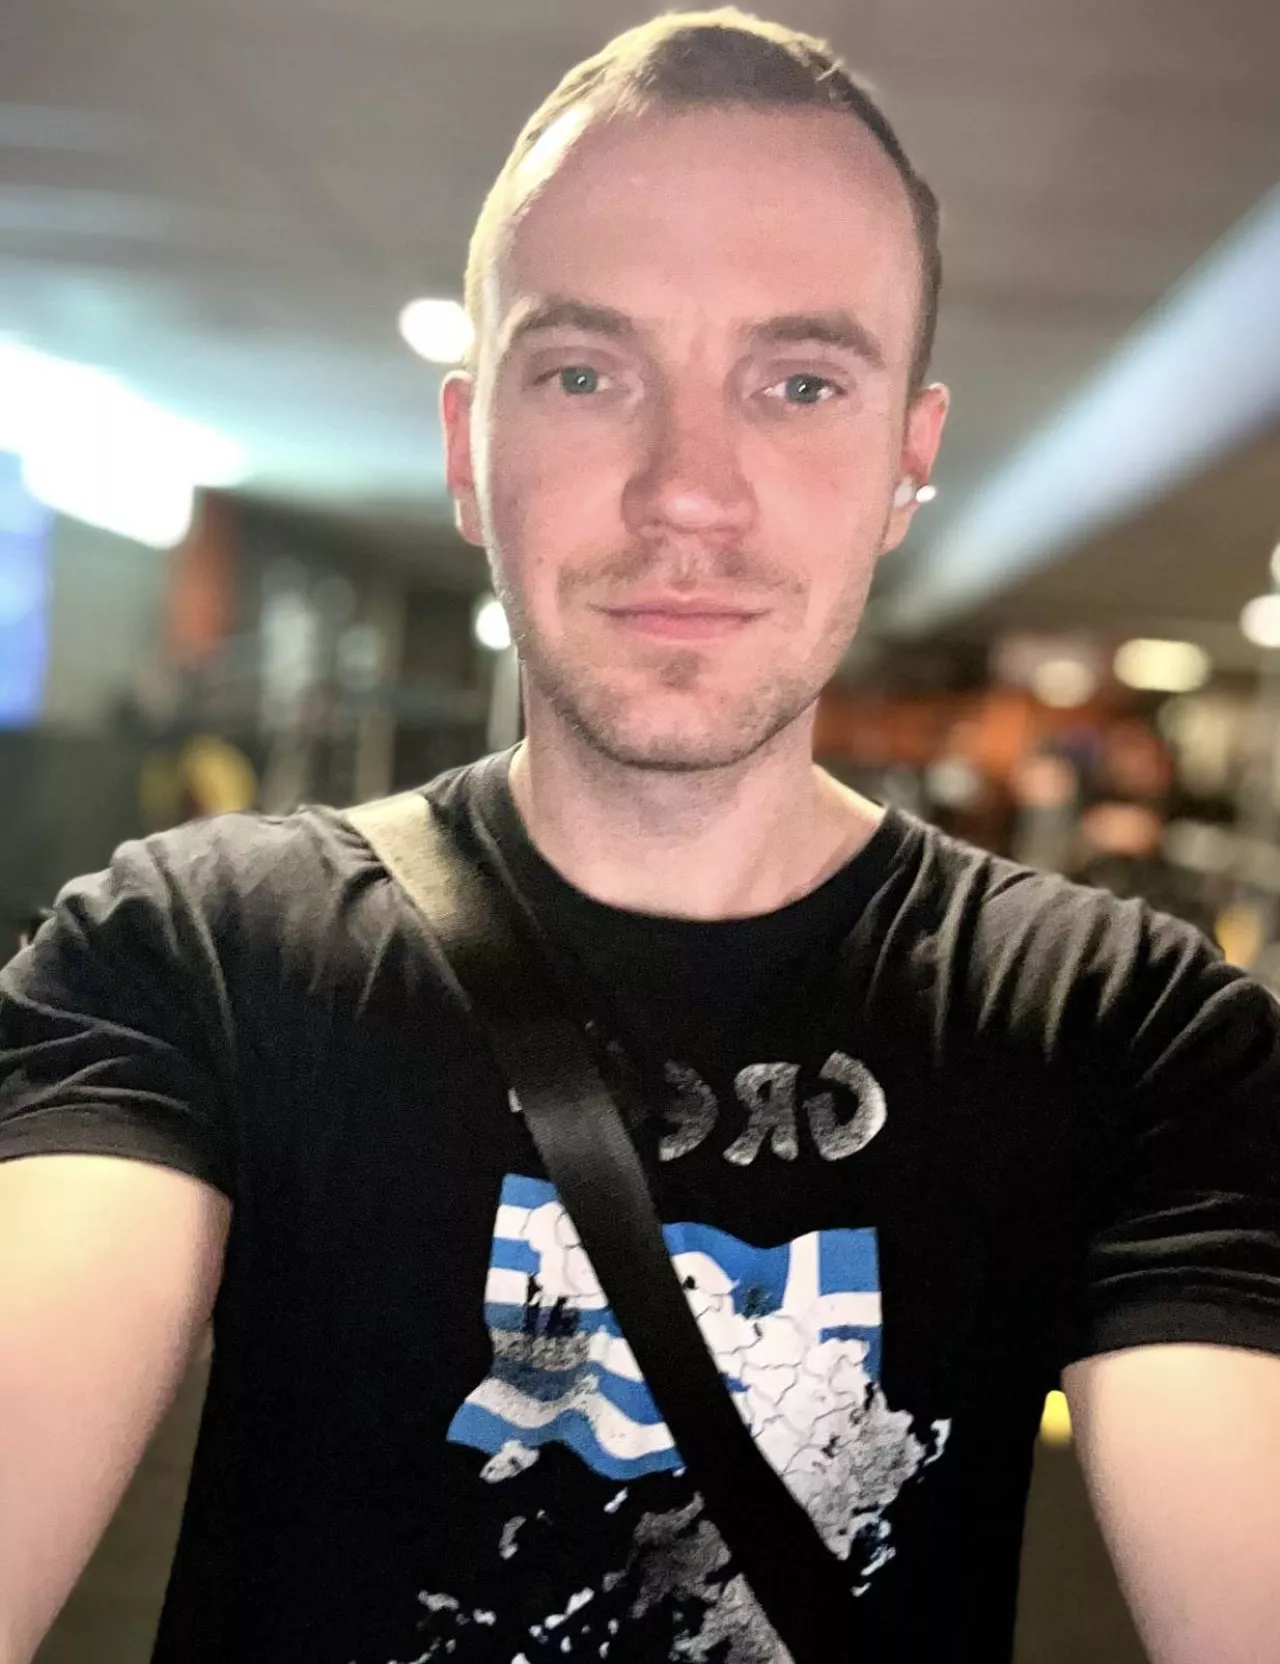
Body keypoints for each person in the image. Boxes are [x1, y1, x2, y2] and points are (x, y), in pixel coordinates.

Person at [1, 12, 1277, 1664]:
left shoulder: (1117, 1030)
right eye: (587, 374)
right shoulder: (201, 954)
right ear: (470, 450)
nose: (690, 492)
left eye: (799, 384)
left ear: (908, 463)